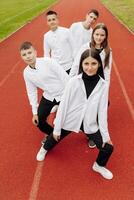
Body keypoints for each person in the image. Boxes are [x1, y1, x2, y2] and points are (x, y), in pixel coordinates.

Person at [36, 49, 114, 180]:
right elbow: (64, 105)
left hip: (89, 122)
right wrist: (56, 128)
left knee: (108, 148)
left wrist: (106, 136)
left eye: (93, 63)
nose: (89, 67)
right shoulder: (73, 82)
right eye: (86, 64)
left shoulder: (103, 85)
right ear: (81, 64)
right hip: (71, 118)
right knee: (55, 136)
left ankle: (98, 166)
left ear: (99, 65)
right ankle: (44, 148)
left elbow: (102, 112)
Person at [70, 23, 112, 148]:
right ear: (93, 35)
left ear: (105, 37)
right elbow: (76, 65)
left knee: (102, 106)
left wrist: (106, 90)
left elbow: (107, 71)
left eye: (102, 35)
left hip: (99, 84)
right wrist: (69, 82)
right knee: (85, 107)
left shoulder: (108, 51)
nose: (99, 37)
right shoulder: (85, 47)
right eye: (97, 34)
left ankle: (94, 132)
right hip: (85, 81)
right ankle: (87, 132)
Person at [20, 41, 69, 141]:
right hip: (49, 96)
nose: (28, 56)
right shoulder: (26, 73)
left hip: (63, 93)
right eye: (24, 55)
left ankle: (90, 135)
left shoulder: (48, 61)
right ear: (22, 57)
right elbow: (31, 92)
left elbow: (65, 78)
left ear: (35, 52)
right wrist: (34, 112)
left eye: (30, 53)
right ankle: (52, 135)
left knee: (76, 116)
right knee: (39, 121)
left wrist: (72, 96)